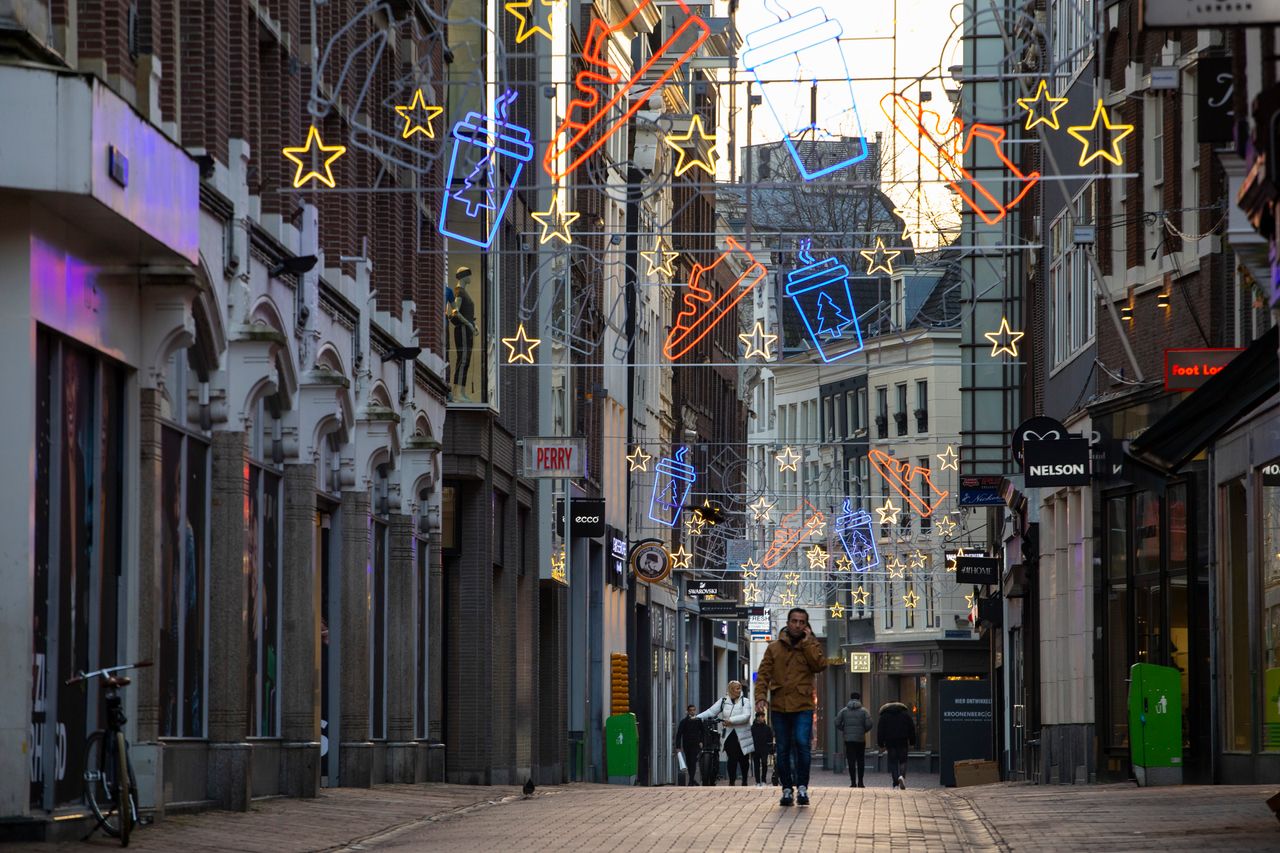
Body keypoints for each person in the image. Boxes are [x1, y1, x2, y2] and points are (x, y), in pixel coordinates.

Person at [755, 607, 830, 807]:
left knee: (802, 744)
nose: (797, 625)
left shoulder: (812, 644)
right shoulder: (774, 648)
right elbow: (763, 675)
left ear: (806, 625)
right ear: (788, 623)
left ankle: (802, 787)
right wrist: (761, 697)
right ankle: (787, 789)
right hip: (780, 705)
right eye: (794, 621)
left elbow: (820, 665)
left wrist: (806, 644)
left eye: (801, 622)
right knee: (783, 748)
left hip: (803, 705)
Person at [697, 680, 754, 786]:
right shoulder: (723, 701)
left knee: (743, 759)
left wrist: (730, 720)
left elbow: (746, 716)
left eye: (740, 688)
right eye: (737, 688)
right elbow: (711, 711)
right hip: (729, 734)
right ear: (731, 689)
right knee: (731, 758)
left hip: (742, 735)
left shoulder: (745, 701)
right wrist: (697, 718)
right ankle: (732, 781)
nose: (739, 690)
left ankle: (744, 780)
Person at [835, 691, 873, 787]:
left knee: (851, 760)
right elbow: (869, 724)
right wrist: (863, 730)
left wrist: (844, 729)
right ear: (859, 698)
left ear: (850, 698)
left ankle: (853, 782)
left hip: (848, 740)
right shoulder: (864, 711)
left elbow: (837, 722)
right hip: (860, 739)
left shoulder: (844, 711)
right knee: (860, 760)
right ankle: (861, 782)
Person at [877, 700, 917, 789]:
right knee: (903, 760)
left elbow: (880, 731)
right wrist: (912, 741)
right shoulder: (905, 715)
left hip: (890, 741)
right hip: (903, 740)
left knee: (893, 761)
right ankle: (902, 776)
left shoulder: (884, 716)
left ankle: (895, 781)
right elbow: (911, 729)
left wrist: (880, 743)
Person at [673, 704, 704, 785]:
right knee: (689, 762)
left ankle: (690, 781)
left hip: (695, 744)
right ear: (688, 711)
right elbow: (679, 734)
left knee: (693, 761)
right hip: (687, 745)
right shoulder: (684, 722)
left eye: (694, 710)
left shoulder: (698, 720)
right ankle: (692, 780)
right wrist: (678, 746)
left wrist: (701, 741)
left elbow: (703, 732)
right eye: (691, 710)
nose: (692, 711)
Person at [750, 712, 774, 787]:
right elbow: (750, 738)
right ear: (757, 717)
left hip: (764, 749)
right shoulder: (752, 728)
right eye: (761, 717)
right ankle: (757, 781)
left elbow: (770, 738)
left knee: (764, 764)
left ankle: (763, 780)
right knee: (756, 765)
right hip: (755, 749)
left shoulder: (767, 728)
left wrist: (770, 749)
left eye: (763, 717)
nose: (762, 718)